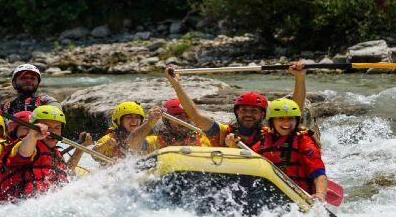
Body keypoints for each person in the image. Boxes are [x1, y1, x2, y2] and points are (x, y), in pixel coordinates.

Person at [164, 62, 306, 149]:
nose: (248, 114)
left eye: (254, 111)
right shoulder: (221, 132)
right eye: (244, 110)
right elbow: (194, 114)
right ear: (237, 113)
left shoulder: (271, 132)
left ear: (263, 115)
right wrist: (176, 85)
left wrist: (299, 78)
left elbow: (294, 110)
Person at [0, 105, 87, 201]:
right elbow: (24, 152)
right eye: (47, 126)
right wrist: (32, 135)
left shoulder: (55, 153)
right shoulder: (25, 144)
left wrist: (81, 148)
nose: (53, 131)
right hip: (21, 205)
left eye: (57, 128)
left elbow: (67, 172)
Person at [253, 98, 328, 201]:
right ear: (271, 121)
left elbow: (319, 174)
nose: (286, 123)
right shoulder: (263, 141)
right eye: (281, 119)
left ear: (296, 121)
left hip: (299, 197)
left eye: (290, 119)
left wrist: (320, 194)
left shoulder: (304, 141)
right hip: (271, 197)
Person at [127, 98, 211, 153]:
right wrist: (149, 123)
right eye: (178, 117)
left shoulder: (202, 138)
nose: (184, 120)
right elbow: (131, 143)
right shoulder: (156, 141)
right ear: (167, 120)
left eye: (187, 116)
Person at [92, 101, 159, 162]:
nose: (134, 121)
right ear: (119, 122)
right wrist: (106, 145)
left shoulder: (149, 140)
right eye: (129, 117)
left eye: (137, 117)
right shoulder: (109, 139)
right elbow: (94, 155)